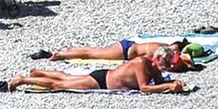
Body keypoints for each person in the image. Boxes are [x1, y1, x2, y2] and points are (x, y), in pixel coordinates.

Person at [0, 54, 190, 94]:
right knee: (59, 85)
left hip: (104, 76)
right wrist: (168, 86)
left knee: (65, 77)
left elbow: (158, 83)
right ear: (157, 58)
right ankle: (23, 80)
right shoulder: (141, 63)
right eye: (165, 64)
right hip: (102, 81)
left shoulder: (155, 68)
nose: (166, 68)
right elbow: (144, 88)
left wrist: (174, 84)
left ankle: (38, 72)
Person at [32, 39, 203, 71]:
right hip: (125, 51)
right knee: (93, 54)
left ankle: (71, 51)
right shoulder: (162, 53)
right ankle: (59, 55)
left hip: (128, 46)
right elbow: (168, 66)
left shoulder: (165, 47)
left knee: (96, 51)